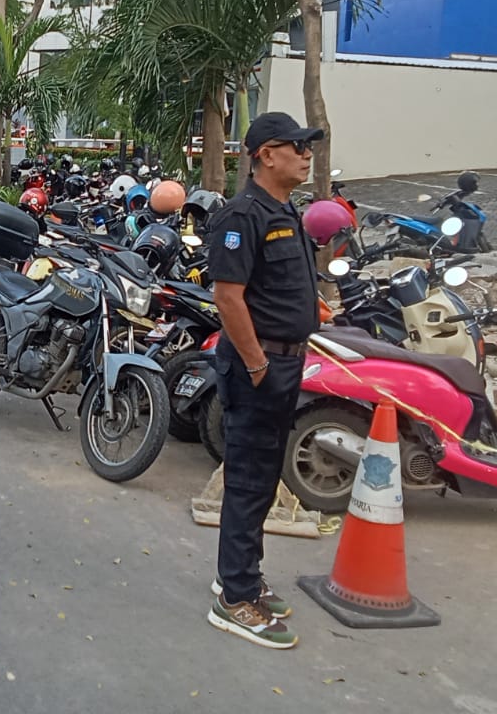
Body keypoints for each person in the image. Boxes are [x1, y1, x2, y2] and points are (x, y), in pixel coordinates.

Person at [205, 112, 323, 650]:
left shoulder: (285, 210)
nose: (306, 154)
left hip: (282, 361)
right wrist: (258, 366)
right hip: (260, 367)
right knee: (250, 481)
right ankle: (234, 600)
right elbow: (228, 297)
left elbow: (277, 284)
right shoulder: (243, 214)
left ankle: (243, 577)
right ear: (266, 155)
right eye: (296, 146)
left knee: (262, 477)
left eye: (307, 146)